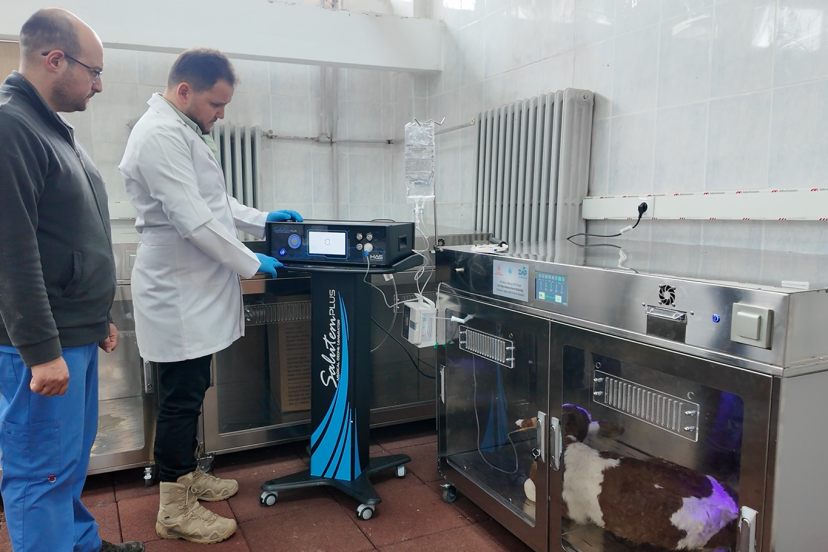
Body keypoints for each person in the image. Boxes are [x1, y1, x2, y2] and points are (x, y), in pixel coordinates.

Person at [119, 48, 302, 544]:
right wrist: (250, 261)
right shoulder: (158, 135)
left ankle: (185, 475)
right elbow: (194, 220)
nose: (220, 114)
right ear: (185, 91)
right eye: (216, 104)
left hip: (192, 285)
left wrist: (261, 221)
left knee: (192, 387)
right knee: (180, 398)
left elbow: (214, 203)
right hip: (177, 290)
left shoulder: (182, 130)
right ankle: (173, 509)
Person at [0, 8, 144, 552]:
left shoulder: (52, 129)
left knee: (68, 459)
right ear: (55, 59)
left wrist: (94, 316)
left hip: (72, 331)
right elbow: (10, 251)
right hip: (39, 345)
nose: (99, 85)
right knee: (40, 470)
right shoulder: (10, 126)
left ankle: (79, 543)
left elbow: (65, 237)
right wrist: (40, 351)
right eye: (94, 71)